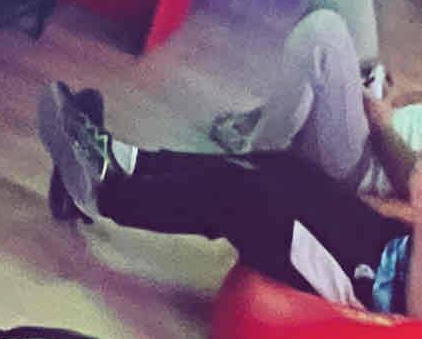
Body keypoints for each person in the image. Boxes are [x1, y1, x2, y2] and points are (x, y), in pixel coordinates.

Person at [38, 79, 422, 318]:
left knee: (251, 201)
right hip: (391, 247)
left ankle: (104, 193)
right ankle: (124, 159)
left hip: (379, 289)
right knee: (288, 169)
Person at [209, 0, 422, 204]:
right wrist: (397, 99)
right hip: (381, 120)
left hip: (364, 164)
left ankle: (259, 158)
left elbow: (416, 199)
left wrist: (382, 126)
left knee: (322, 33)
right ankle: (279, 117)